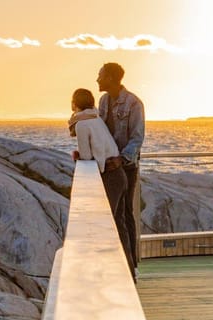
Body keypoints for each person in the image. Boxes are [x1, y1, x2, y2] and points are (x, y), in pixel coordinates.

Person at [69, 88, 131, 275]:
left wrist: (78, 156)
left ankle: (109, 273)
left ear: (74, 103)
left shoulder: (81, 124)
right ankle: (128, 271)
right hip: (119, 175)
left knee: (105, 228)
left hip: (110, 178)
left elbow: (87, 157)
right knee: (119, 226)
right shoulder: (96, 119)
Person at [96, 62, 145, 276]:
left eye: (101, 76)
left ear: (111, 78)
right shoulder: (104, 100)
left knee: (125, 213)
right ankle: (119, 262)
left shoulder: (133, 103)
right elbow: (99, 129)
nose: (97, 80)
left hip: (126, 166)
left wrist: (122, 159)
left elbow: (137, 137)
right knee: (113, 214)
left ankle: (130, 265)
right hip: (109, 166)